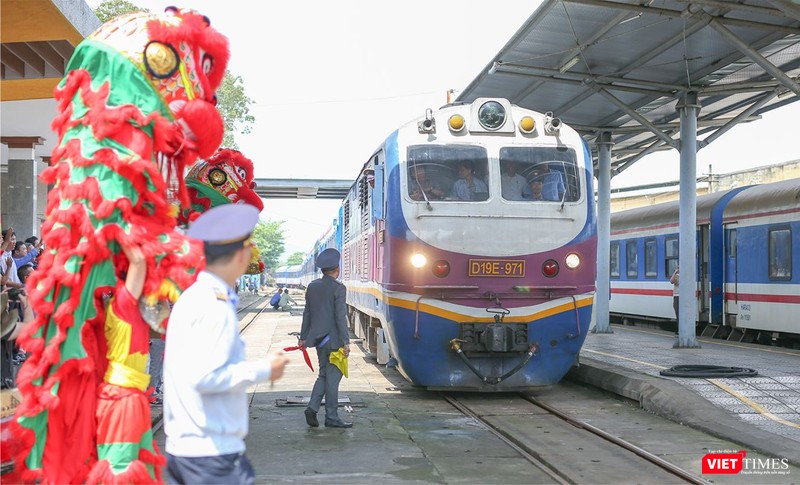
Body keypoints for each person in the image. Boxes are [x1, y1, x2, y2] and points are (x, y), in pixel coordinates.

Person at [163, 204, 290, 484]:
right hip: (211, 453)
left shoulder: (193, 297)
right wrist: (265, 370)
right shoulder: (213, 304)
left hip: (188, 448)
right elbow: (208, 376)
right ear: (242, 254)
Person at [299, 247, 352, 428]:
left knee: (323, 374)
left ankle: (312, 408)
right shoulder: (339, 288)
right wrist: (346, 341)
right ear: (337, 269)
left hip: (319, 340)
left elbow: (307, 313)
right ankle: (331, 417)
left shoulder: (313, 286)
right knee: (333, 378)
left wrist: (303, 336)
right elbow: (340, 317)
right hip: (334, 340)